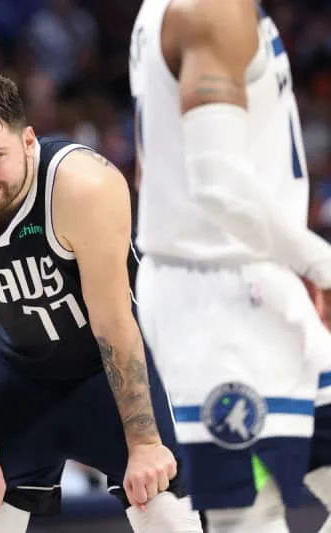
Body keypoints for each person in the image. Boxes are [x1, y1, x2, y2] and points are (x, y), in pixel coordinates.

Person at [0, 71, 203, 533]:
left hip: (101, 368)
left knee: (164, 511)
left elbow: (112, 319)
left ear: (27, 140)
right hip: (14, 368)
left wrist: (143, 442)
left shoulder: (84, 184)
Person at [129, 1, 331, 531]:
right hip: (216, 289)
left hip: (254, 273)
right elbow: (218, 183)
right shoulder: (211, 9)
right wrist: (320, 262)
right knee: (246, 516)